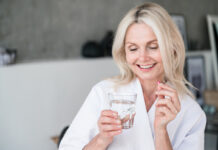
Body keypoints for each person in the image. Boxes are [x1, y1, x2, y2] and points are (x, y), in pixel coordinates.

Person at [59, 2, 206, 150]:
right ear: (124, 53)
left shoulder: (191, 113)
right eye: (133, 48)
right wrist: (101, 139)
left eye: (153, 46)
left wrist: (161, 131)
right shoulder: (103, 93)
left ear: (172, 48)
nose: (142, 57)